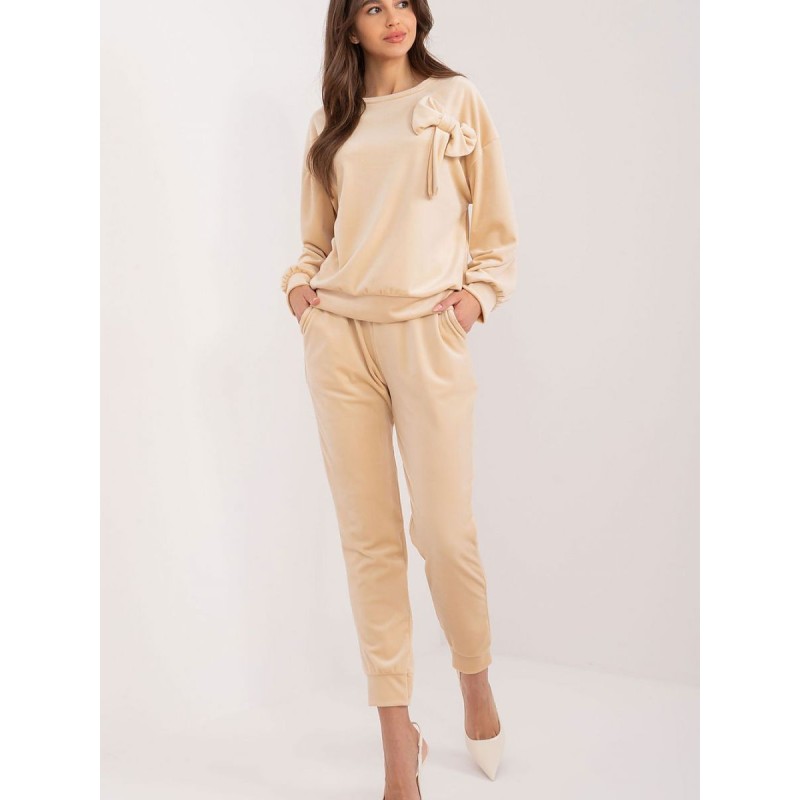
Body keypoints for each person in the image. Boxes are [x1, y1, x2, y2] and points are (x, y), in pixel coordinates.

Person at [279, 2, 518, 797]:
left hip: (427, 333)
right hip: (340, 337)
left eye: (401, 3)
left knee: (444, 532)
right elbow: (314, 240)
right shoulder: (331, 122)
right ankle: (396, 746)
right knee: (369, 541)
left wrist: (475, 300)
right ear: (349, 26)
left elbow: (496, 231)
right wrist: (302, 294)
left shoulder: (456, 100)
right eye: (372, 7)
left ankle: (475, 681)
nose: (393, 18)